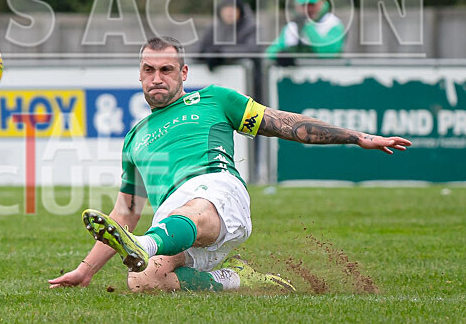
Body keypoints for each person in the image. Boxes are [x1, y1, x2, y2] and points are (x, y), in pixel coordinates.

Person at [48, 36, 411, 293]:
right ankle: (236, 279)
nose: (157, 77)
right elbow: (125, 212)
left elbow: (283, 123)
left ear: (184, 73)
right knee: (144, 282)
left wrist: (354, 136)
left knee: (195, 211)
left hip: (216, 190)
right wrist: (85, 271)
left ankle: (146, 244)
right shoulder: (135, 137)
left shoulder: (214, 99)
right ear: (140, 75)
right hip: (171, 221)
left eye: (166, 69)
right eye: (149, 70)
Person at [266, 0, 346, 63]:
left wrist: (307, 25)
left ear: (321, 2)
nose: (308, 9)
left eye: (312, 4)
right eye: (304, 5)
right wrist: (281, 56)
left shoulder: (333, 24)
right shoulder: (291, 28)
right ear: (297, 7)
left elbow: (327, 52)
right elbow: (270, 53)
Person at [195, 0, 259, 71]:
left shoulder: (251, 27)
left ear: (240, 11)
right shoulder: (213, 28)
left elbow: (252, 49)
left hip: (249, 80)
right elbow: (197, 49)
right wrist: (207, 54)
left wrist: (221, 54)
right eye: (226, 8)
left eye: (233, 8)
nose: (229, 12)